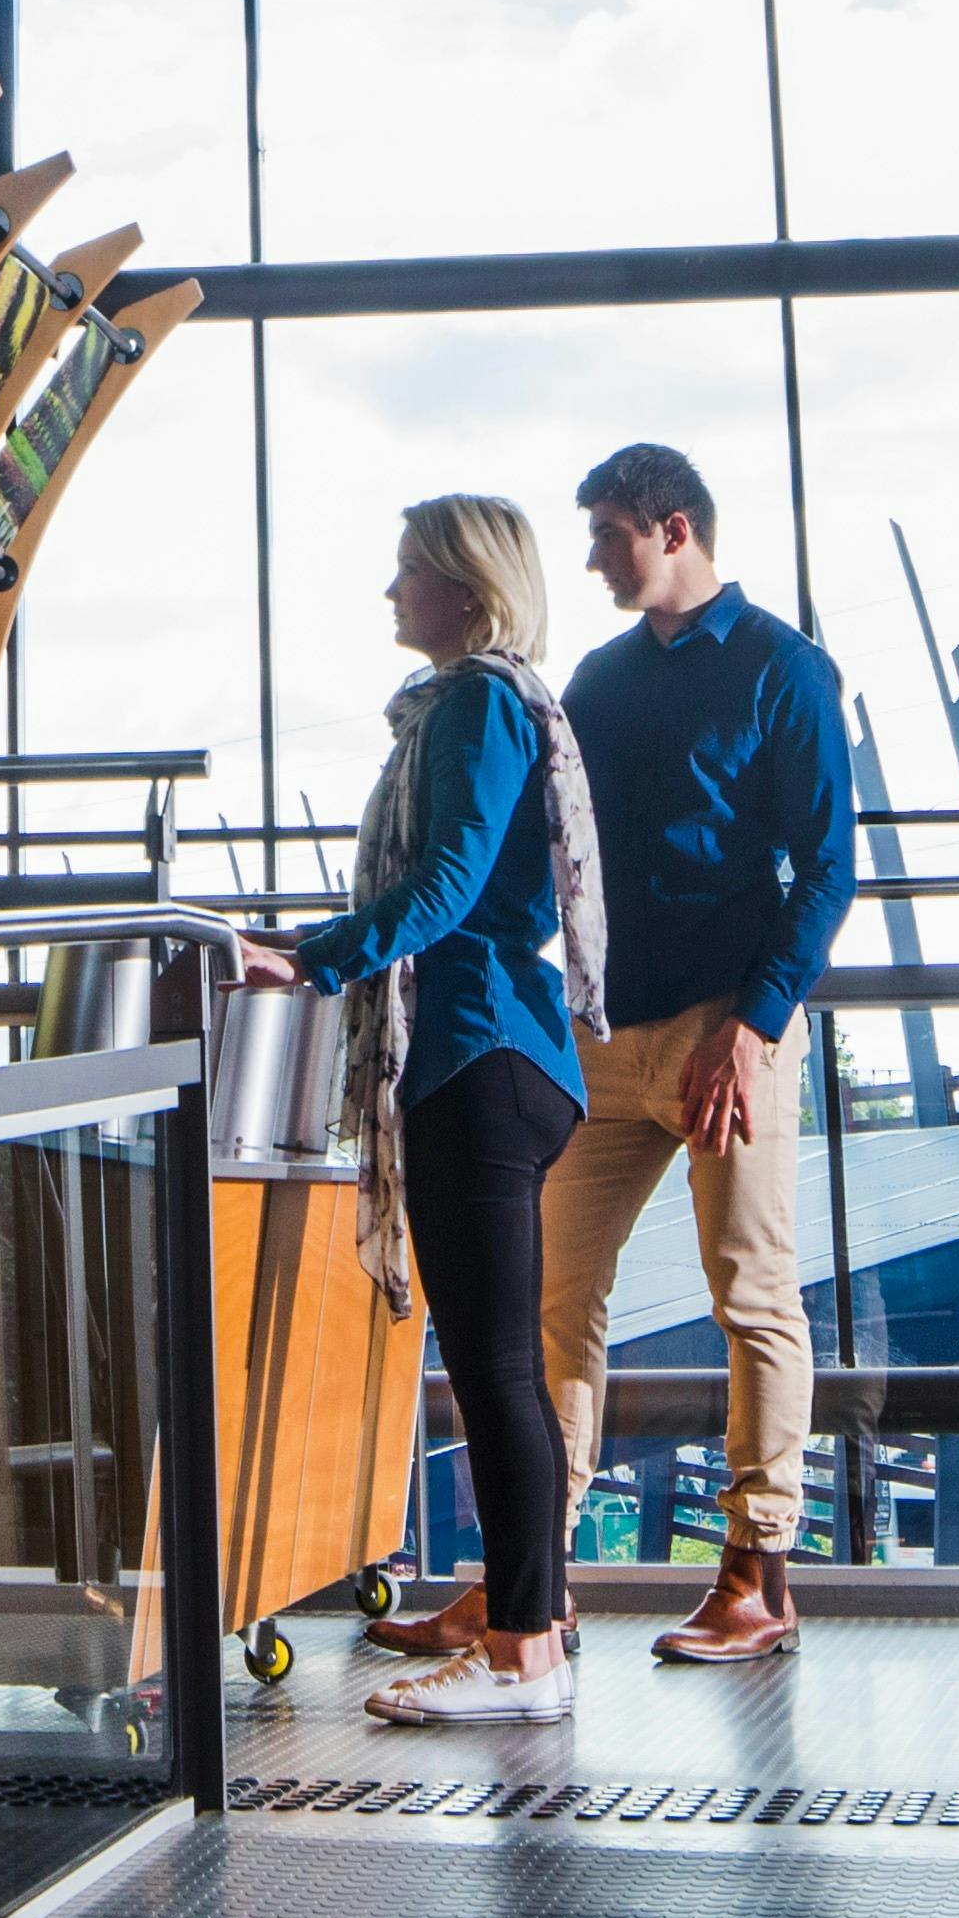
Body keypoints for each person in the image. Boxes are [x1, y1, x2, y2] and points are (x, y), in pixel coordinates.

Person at [365, 437, 854, 1670]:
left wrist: (754, 1026)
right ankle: (535, 1585)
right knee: (547, 1305)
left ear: (674, 527)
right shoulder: (593, 677)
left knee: (750, 1292)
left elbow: (829, 868)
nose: (590, 558)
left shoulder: (783, 669)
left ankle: (759, 1571)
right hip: (602, 1038)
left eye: (608, 535)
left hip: (725, 1032)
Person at [236, 493, 604, 1726]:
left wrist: (316, 958)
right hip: (493, 1055)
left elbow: (445, 883)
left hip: (475, 1053)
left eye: (409, 573)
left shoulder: (476, 703)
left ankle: (519, 1658)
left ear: (464, 588)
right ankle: (531, 1628)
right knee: (502, 1368)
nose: (391, 593)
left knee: (496, 1369)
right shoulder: (479, 704)